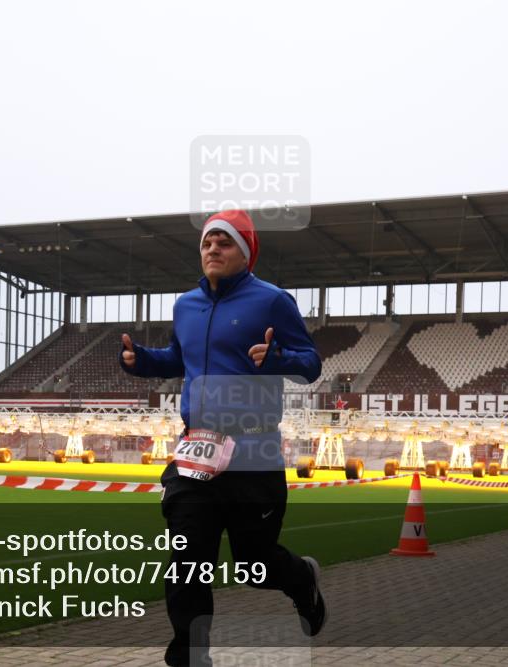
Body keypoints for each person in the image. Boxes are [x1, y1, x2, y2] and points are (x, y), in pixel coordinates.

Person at [120, 210, 325, 667]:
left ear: (246, 252)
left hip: (254, 453)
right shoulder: (184, 306)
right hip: (195, 453)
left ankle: (301, 579)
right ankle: (190, 659)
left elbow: (310, 364)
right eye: (207, 242)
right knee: (187, 563)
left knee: (255, 564)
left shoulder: (272, 301)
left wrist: (277, 357)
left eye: (224, 242)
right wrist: (142, 362)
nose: (213, 249)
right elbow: (180, 357)